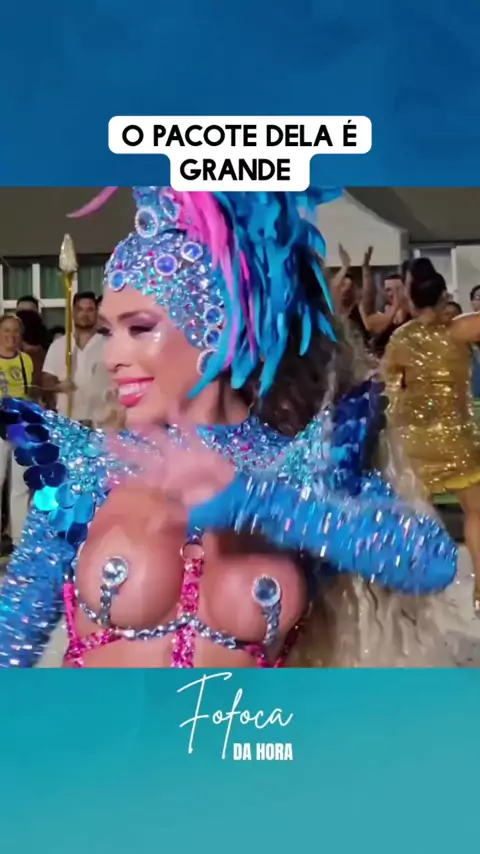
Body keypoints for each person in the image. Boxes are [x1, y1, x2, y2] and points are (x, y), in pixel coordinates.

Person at [0, 188, 457, 669]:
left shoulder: (296, 467)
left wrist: (257, 501)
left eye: (140, 328)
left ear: (218, 331)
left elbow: (429, 560)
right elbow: (11, 641)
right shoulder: (88, 470)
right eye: (109, 332)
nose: (113, 357)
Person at [383, 271, 480, 614]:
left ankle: (409, 596)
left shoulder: (399, 338)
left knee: (414, 516)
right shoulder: (461, 329)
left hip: (414, 442)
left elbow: (390, 391)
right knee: (476, 513)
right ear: (443, 297)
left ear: (409, 299)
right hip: (456, 440)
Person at [41, 290, 104, 421]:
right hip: (67, 418)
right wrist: (58, 387)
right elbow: (46, 380)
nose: (85, 314)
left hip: (99, 418)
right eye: (80, 309)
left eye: (90, 310)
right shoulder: (59, 345)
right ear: (73, 312)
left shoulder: (107, 344)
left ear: (97, 312)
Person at [0, 315, 32, 546]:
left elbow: (28, 393)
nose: (11, 336)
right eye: (6, 330)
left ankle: (19, 538)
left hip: (20, 426)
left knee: (21, 484)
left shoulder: (25, 360)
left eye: (16, 331)